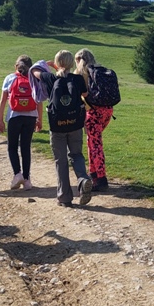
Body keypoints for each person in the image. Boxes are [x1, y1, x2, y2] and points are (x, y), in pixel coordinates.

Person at [33, 50, 93, 207]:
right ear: (72, 63)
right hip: (75, 123)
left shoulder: (50, 78)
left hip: (57, 126)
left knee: (61, 161)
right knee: (76, 155)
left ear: (57, 63)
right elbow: (85, 94)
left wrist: (48, 65)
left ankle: (65, 198)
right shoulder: (78, 79)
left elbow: (34, 71)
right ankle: (83, 179)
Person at [0, 55, 42, 190]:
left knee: (12, 147)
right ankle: (27, 179)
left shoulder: (10, 78)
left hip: (14, 116)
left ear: (16, 66)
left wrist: (0, 120)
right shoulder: (34, 79)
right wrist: (40, 119)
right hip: (30, 117)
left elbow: (3, 101)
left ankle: (17, 174)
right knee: (25, 147)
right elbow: (39, 101)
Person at [75, 48, 112, 191]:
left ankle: (101, 178)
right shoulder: (100, 71)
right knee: (93, 141)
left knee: (95, 145)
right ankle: (94, 173)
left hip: (93, 112)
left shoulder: (82, 74)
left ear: (79, 60)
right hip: (107, 110)